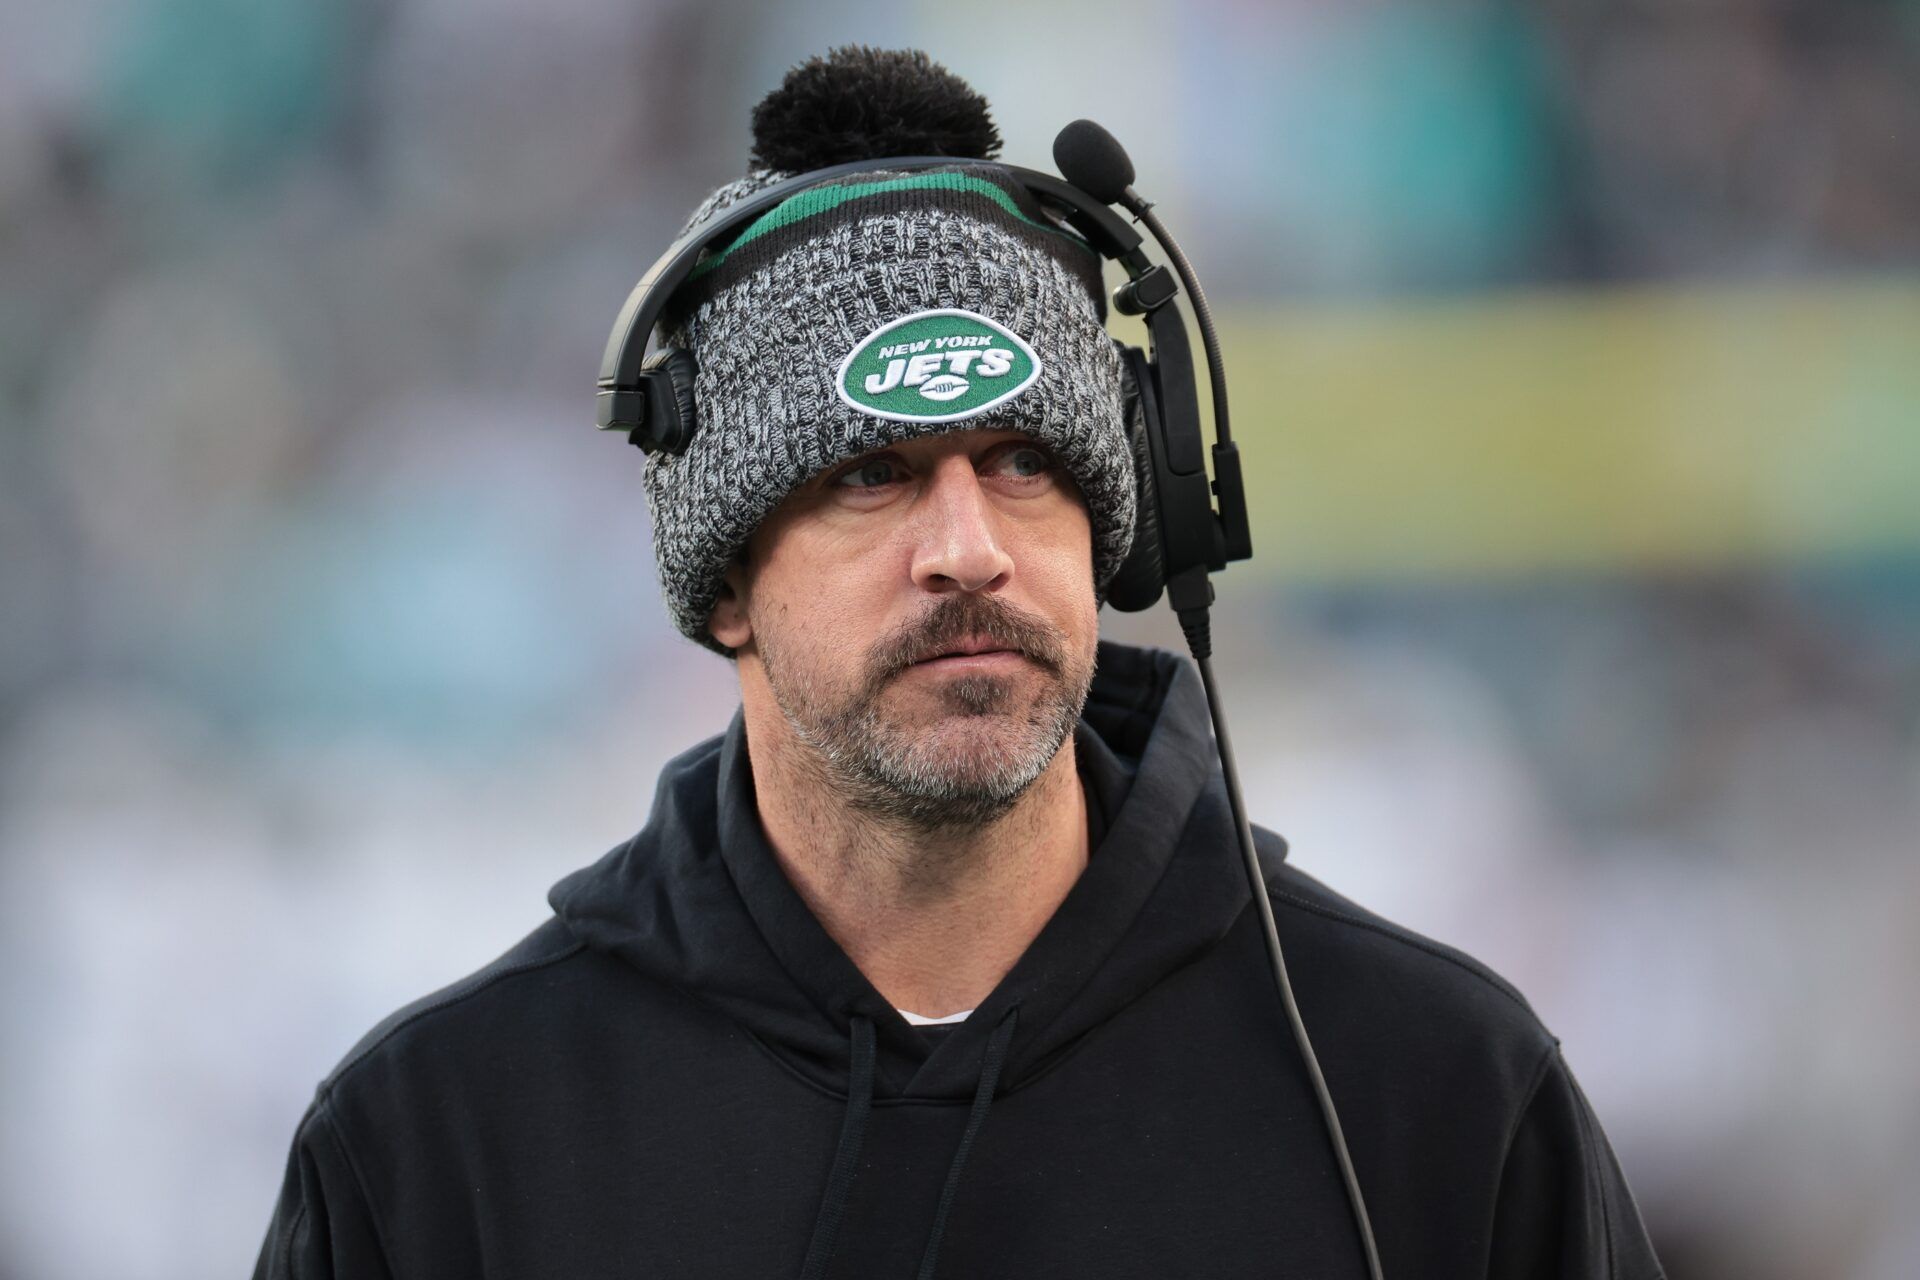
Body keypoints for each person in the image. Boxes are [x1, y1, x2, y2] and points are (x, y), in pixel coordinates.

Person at [254, 46, 1664, 1280]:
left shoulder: (1437, 1092)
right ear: (726, 581)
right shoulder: (442, 1139)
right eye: (874, 474)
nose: (969, 547)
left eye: (1021, 462)